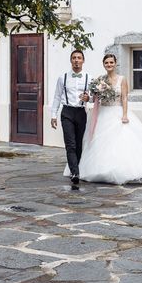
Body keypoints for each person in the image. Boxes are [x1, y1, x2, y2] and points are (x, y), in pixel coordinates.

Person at [65, 53, 142, 184]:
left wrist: (125, 115)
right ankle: (93, 169)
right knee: (98, 142)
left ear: (115, 64)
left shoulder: (122, 79)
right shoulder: (100, 79)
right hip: (103, 113)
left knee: (120, 141)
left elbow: (124, 98)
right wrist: (94, 94)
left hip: (117, 112)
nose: (109, 65)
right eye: (106, 63)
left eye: (111, 62)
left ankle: (122, 170)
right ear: (103, 65)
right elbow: (95, 99)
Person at [51, 49, 91, 186]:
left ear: (83, 60)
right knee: (70, 144)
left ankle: (76, 168)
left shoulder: (89, 78)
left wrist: (88, 98)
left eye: (79, 57)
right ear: (71, 60)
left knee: (79, 144)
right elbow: (57, 96)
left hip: (81, 112)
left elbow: (93, 99)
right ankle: (75, 172)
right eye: (74, 57)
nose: (76, 60)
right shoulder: (63, 78)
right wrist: (53, 115)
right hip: (67, 112)